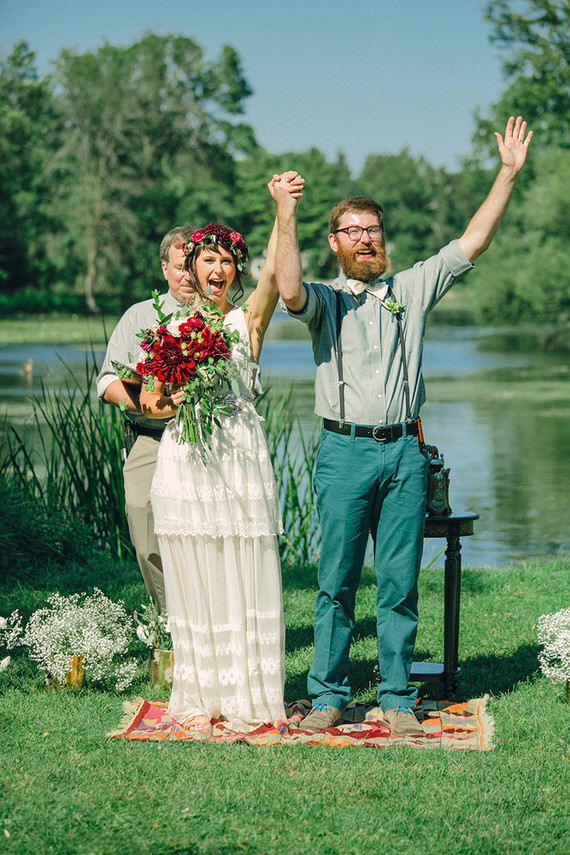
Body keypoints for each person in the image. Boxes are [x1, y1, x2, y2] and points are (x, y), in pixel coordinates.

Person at [272, 116, 533, 736]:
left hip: (406, 455)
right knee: (334, 582)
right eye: (353, 231)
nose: (366, 238)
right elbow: (285, 290)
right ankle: (329, 695)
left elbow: (473, 241)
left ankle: (394, 697)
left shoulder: (411, 288)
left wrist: (508, 173)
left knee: (399, 583)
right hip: (344, 452)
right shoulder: (325, 301)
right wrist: (285, 214)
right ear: (334, 242)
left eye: (373, 229)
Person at [138, 173, 304, 730]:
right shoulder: (172, 327)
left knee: (241, 561)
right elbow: (152, 401)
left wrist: (284, 211)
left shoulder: (246, 320)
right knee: (196, 565)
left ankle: (248, 693)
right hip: (185, 455)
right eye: (205, 260)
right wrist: (174, 397)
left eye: (225, 261)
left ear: (235, 270)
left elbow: (279, 277)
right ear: (191, 269)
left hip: (237, 452)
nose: (215, 270)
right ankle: (202, 691)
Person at [97, 225, 197, 613]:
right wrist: (145, 405)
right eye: (179, 266)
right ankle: (167, 619)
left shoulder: (220, 318)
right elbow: (108, 382)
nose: (187, 274)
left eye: (194, 264)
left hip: (206, 439)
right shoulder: (139, 316)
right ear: (164, 269)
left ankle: (206, 619)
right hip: (150, 436)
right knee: (142, 520)